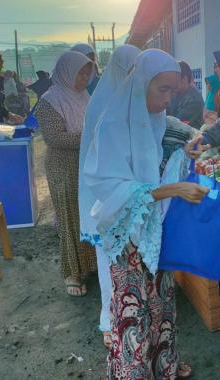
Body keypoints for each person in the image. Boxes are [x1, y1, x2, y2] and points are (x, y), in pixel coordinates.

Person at [83, 49, 207, 379]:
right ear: (140, 85)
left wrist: (184, 153)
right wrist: (173, 190)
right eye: (161, 90)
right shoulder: (111, 126)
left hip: (154, 231)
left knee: (160, 307)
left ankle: (161, 367)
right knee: (133, 316)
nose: (168, 99)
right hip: (128, 240)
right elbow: (111, 188)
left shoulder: (155, 121)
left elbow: (157, 168)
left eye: (172, 90)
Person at [78, 44, 141, 348]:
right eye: (133, 70)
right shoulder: (105, 106)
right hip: (103, 196)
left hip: (121, 193)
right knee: (107, 258)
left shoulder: (121, 99)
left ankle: (127, 314)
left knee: (123, 259)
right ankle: (108, 320)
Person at [35, 51, 97, 297]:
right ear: (66, 71)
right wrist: (91, 138)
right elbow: (54, 138)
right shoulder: (49, 100)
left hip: (84, 163)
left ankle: (87, 265)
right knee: (69, 216)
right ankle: (72, 272)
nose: (84, 77)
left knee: (85, 214)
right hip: (63, 165)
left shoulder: (84, 96)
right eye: (80, 72)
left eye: (87, 72)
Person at [166, 61, 204, 129]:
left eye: (175, 79)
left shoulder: (194, 99)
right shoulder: (174, 93)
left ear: (185, 79)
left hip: (188, 136)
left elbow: (177, 123)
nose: (172, 83)